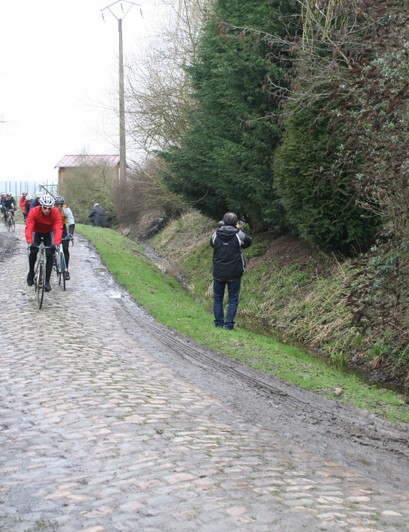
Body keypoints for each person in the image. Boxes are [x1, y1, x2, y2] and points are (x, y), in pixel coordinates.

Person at [210, 212, 252, 330]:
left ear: (223, 221)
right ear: (236, 223)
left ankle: (218, 323)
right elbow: (248, 242)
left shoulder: (215, 234)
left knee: (218, 298)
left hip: (218, 271)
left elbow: (212, 244)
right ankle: (229, 325)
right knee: (233, 299)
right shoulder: (239, 234)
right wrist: (239, 229)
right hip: (234, 272)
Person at [25, 194, 63, 292]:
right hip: (36, 232)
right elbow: (29, 227)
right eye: (44, 208)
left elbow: (58, 228)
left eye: (49, 208)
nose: (47, 210)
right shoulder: (34, 211)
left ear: (52, 207)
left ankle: (47, 281)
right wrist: (30, 242)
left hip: (48, 232)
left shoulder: (55, 213)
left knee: (50, 254)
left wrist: (56, 243)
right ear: (41, 206)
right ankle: (31, 273)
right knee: (33, 251)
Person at [54, 196, 75, 280]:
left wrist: (70, 234)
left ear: (63, 205)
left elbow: (71, 222)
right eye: (57, 205)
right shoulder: (51, 210)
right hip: (53, 227)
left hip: (62, 228)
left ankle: (66, 270)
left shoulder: (66, 210)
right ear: (54, 205)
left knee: (65, 249)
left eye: (61, 205)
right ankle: (54, 262)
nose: (59, 207)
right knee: (52, 246)